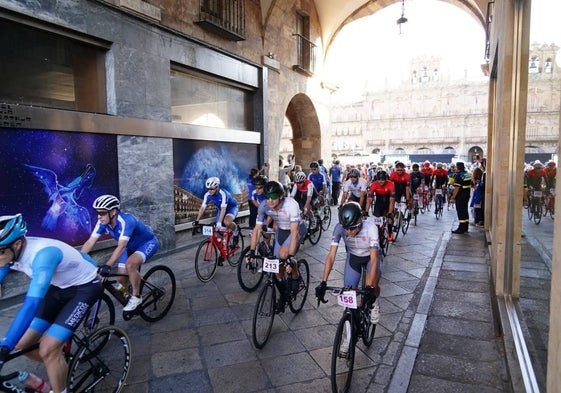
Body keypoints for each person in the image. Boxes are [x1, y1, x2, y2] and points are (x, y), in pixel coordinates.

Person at [0, 214, 103, 393]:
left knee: (47, 348)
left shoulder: (43, 255)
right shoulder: (9, 252)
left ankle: (58, 375)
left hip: (84, 288)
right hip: (58, 287)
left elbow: (30, 306)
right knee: (21, 346)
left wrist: (5, 345)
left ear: (17, 244)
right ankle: (59, 361)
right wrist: (11, 343)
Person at [82, 194, 160, 312]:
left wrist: (107, 266)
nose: (99, 217)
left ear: (113, 212)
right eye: (97, 213)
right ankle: (134, 281)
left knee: (130, 265)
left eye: (102, 213)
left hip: (147, 243)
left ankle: (136, 296)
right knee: (121, 280)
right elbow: (90, 242)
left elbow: (121, 245)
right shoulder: (103, 223)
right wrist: (79, 258)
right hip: (129, 247)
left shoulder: (126, 221)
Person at [315, 202, 381, 332]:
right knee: (348, 295)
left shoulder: (371, 228)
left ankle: (375, 303)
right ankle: (348, 337)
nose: (348, 231)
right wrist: (323, 281)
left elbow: (374, 259)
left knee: (371, 284)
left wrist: (370, 288)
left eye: (352, 228)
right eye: (345, 228)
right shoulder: (339, 228)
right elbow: (331, 256)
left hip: (370, 257)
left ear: (360, 221)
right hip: (354, 258)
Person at [248, 181, 307, 305]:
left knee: (284, 255)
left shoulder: (291, 205)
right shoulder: (264, 206)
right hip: (281, 230)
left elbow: (295, 232)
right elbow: (257, 230)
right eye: (267, 197)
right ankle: (284, 294)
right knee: (276, 268)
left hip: (296, 229)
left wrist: (290, 257)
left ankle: (296, 277)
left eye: (273, 197)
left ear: (281, 196)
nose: (270, 200)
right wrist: (252, 252)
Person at [450, 162, 472, 234]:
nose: (455, 168)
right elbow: (472, 184)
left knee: (460, 212)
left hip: (460, 196)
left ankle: (461, 228)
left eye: (455, 167)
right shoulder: (467, 174)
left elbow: (457, 188)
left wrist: (453, 197)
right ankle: (465, 227)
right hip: (467, 195)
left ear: (458, 167)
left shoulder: (458, 175)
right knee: (465, 211)